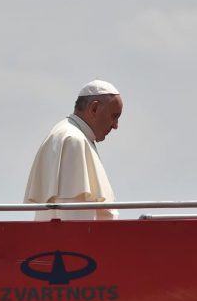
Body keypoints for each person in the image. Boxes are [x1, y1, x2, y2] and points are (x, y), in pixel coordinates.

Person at [23, 80, 123, 220]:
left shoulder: (73, 135)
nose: (115, 125)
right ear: (94, 109)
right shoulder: (73, 140)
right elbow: (73, 216)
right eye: (114, 116)